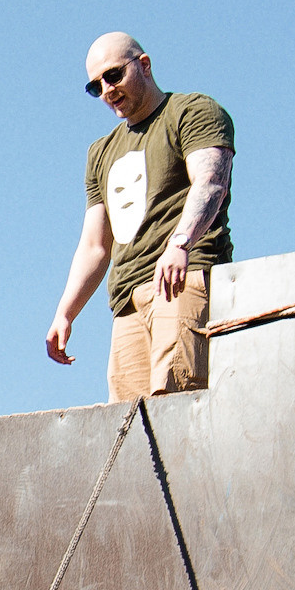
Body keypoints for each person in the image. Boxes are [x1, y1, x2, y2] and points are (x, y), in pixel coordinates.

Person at [45, 37, 235, 403]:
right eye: (94, 86)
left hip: (182, 279)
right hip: (127, 301)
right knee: (131, 424)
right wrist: (65, 313)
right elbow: (95, 245)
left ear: (144, 65)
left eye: (113, 76)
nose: (106, 91)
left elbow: (210, 184)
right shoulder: (101, 152)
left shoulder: (192, 111)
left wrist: (180, 243)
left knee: (177, 403)